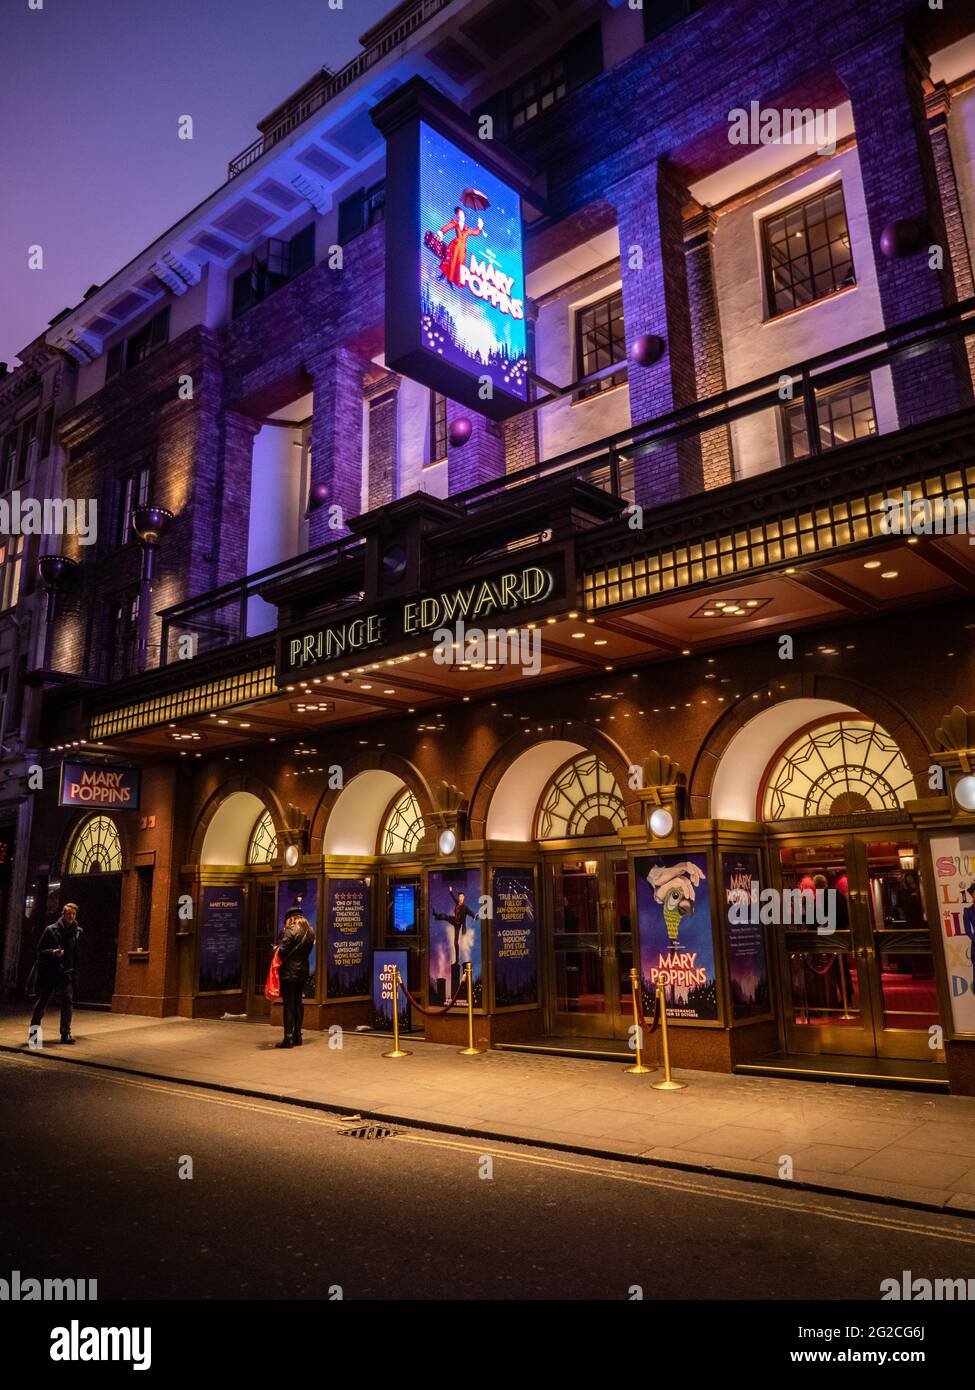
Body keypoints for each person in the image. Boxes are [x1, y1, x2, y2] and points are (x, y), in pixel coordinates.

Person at [29, 903, 81, 1045]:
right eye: (69, 914)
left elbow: (76, 955)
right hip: (51, 973)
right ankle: (33, 1037)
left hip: (66, 973)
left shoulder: (76, 932)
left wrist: (75, 973)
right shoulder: (50, 930)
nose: (71, 916)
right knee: (42, 1003)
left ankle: (65, 1034)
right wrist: (53, 953)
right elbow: (39, 952)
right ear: (62, 914)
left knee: (68, 1003)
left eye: (73, 914)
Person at [275, 908, 315, 1049]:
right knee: (299, 1002)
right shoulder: (310, 931)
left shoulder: (290, 930)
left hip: (289, 972)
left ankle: (288, 1038)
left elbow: (282, 951)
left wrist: (276, 949)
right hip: (303, 971)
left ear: (290, 918)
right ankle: (298, 1035)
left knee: (289, 1005)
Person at [433, 885, 477, 994]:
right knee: (445, 916)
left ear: (464, 898)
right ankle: (435, 915)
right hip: (454, 920)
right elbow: (453, 897)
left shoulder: (465, 907)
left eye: (462, 897)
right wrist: (450, 891)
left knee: (455, 943)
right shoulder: (457, 903)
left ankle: (457, 960)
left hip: (458, 925)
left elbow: (471, 913)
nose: (461, 899)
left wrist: (475, 915)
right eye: (460, 897)